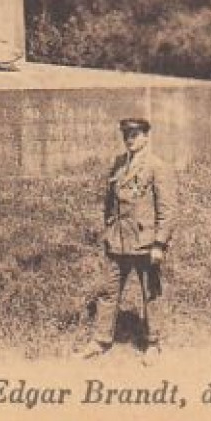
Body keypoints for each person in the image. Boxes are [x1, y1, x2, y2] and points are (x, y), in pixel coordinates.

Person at [81, 117, 177, 359]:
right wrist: (108, 229)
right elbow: (109, 202)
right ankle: (100, 341)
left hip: (145, 242)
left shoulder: (157, 166)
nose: (130, 139)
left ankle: (153, 343)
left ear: (146, 136)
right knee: (108, 291)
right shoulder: (119, 164)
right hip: (117, 240)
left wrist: (159, 243)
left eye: (135, 134)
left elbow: (168, 209)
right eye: (126, 135)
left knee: (150, 293)